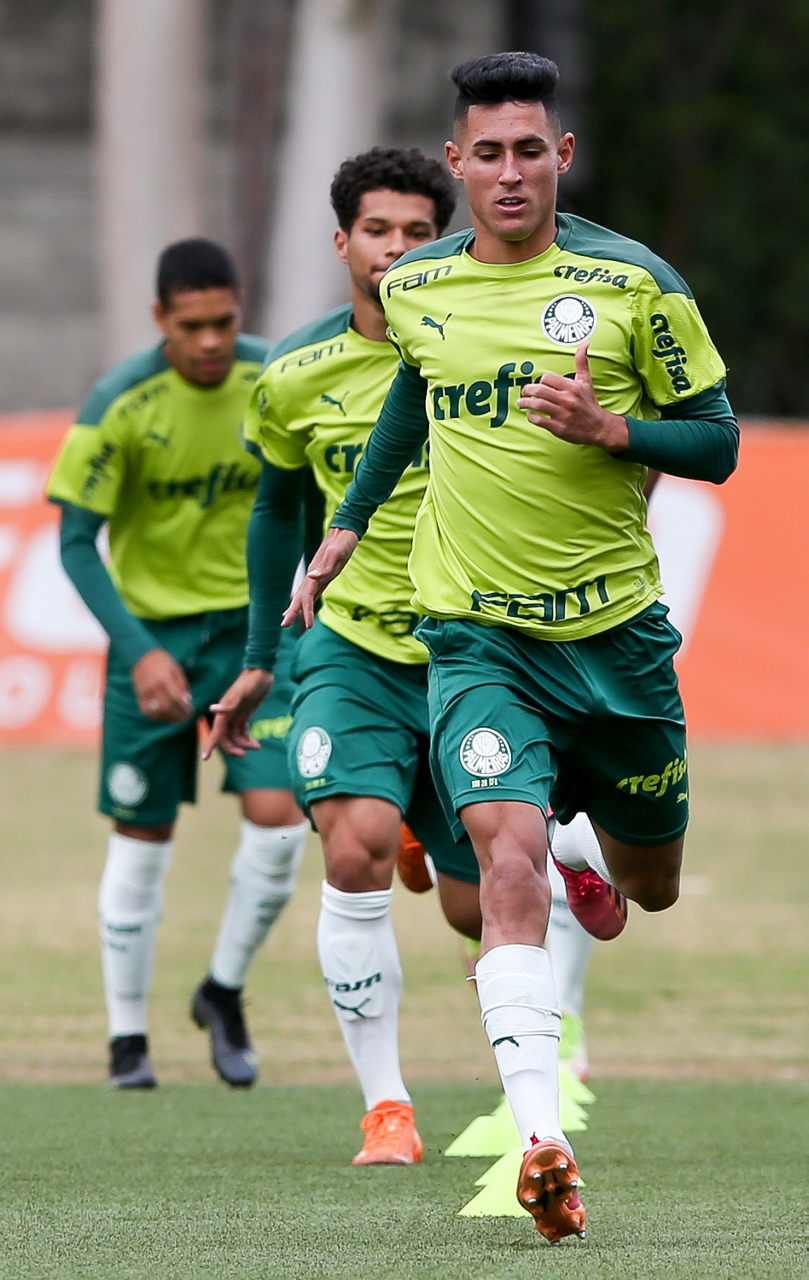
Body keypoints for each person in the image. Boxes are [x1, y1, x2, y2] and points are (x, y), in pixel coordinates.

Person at [282, 53, 738, 1242]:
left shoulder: (633, 284)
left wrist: (613, 427)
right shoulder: (422, 288)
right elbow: (410, 398)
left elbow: (717, 440)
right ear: (457, 162)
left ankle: (595, 844)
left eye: (528, 149)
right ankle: (543, 1137)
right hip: (476, 634)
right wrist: (344, 529)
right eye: (485, 151)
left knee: (651, 882)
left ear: (559, 156)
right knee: (502, 864)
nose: (508, 171)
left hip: (615, 640)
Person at [204, 146, 496, 1166]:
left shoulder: (481, 348)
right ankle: (387, 1109)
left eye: (418, 231)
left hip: (470, 647)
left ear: (441, 240)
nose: (396, 249)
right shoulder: (293, 372)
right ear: (342, 242)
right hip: (351, 648)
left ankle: (438, 834)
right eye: (378, 230)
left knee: (478, 904)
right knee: (350, 847)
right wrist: (259, 656)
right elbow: (276, 509)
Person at [46, 239, 310, 1090]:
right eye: (191, 325)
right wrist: (139, 652)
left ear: (240, 309)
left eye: (223, 322)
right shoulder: (119, 402)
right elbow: (76, 542)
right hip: (153, 645)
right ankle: (127, 1040)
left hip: (256, 639)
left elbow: (316, 499)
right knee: (141, 835)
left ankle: (221, 990)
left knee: (280, 819)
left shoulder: (277, 378)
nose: (210, 341)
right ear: (160, 318)